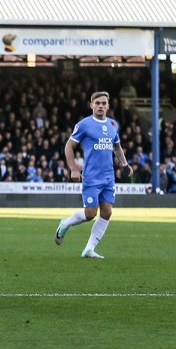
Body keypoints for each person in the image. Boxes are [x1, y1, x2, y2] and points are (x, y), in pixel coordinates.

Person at [55, 91, 132, 259]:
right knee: (90, 214)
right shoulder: (84, 125)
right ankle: (65, 224)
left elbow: (117, 147)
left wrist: (124, 164)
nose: (100, 106)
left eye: (104, 103)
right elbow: (69, 146)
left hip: (108, 177)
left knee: (107, 212)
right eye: (97, 103)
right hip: (91, 177)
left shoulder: (113, 125)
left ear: (108, 106)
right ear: (91, 105)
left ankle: (89, 249)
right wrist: (74, 168)